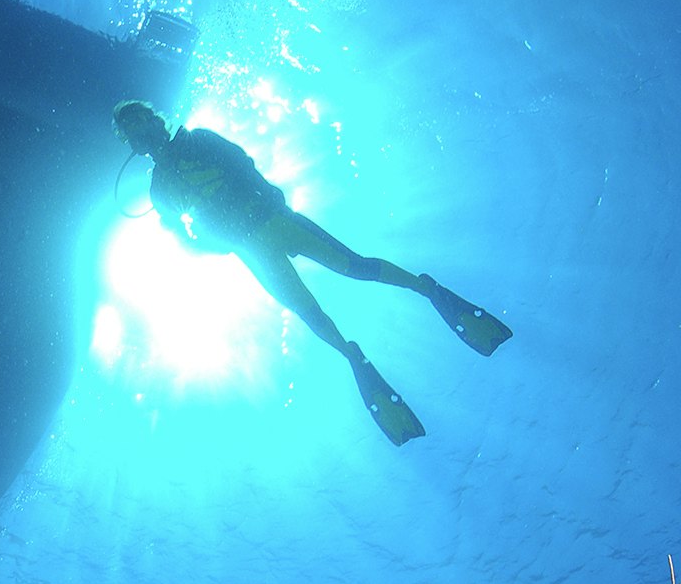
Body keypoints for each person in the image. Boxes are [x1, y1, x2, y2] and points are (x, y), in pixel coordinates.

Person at [111, 99, 512, 446]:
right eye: (130, 132)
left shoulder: (197, 139)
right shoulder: (158, 189)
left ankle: (426, 288)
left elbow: (242, 162)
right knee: (308, 313)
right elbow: (184, 239)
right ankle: (352, 355)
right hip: (251, 248)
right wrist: (218, 242)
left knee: (352, 266)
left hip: (273, 219)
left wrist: (260, 202)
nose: (140, 134)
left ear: (155, 119)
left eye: (140, 122)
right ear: (130, 144)